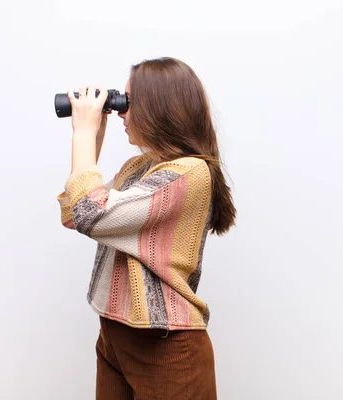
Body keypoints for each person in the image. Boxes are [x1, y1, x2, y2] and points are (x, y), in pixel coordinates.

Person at [56, 57, 235, 399]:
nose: (121, 112)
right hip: (115, 336)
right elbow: (73, 213)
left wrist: (83, 131)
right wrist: (93, 141)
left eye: (128, 101)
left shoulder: (190, 172)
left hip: (166, 348)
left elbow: (88, 213)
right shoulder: (139, 167)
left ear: (157, 107)